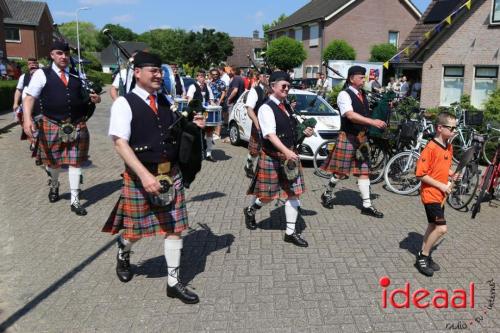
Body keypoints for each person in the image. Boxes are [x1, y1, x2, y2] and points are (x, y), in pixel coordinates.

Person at [102, 51, 206, 303]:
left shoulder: (163, 100)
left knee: (175, 229)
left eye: (161, 70)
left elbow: (174, 133)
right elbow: (120, 143)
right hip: (141, 177)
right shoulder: (124, 103)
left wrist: (193, 126)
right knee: (135, 230)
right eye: (154, 70)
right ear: (137, 73)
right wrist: (143, 175)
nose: (159, 74)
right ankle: (124, 249)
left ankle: (173, 283)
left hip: (171, 174)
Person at [23, 41, 101, 216]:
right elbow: (29, 98)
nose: (64, 57)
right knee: (53, 163)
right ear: (52, 55)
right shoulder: (42, 74)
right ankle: (55, 183)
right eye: (59, 53)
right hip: (51, 123)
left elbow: (85, 96)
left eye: (66, 53)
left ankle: (75, 200)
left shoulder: (76, 74)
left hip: (77, 123)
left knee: (75, 162)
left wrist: (94, 99)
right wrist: (27, 119)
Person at [243, 71, 314, 247]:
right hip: (273, 157)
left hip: (288, 157)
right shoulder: (266, 108)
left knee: (294, 194)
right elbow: (269, 135)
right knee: (267, 197)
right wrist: (286, 151)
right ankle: (251, 210)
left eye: (288, 86)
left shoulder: (286, 106)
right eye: (283, 85)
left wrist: (304, 132)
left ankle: (290, 232)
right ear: (273, 86)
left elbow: (292, 128)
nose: (286, 88)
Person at [320, 65, 386, 218]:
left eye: (364, 77)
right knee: (340, 172)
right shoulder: (344, 95)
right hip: (348, 137)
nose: (364, 80)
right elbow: (349, 115)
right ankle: (327, 193)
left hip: (361, 138)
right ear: (351, 79)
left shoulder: (362, 94)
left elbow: (363, 112)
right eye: (361, 77)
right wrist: (372, 122)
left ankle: (367, 205)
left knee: (364, 172)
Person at [414, 112, 458, 277]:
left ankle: (425, 252)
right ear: (440, 128)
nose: (454, 130)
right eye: (451, 127)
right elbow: (420, 174)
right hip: (431, 194)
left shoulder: (448, 145)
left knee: (432, 225)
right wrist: (441, 185)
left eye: (455, 127)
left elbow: (443, 167)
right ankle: (422, 256)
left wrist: (452, 174)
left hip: (441, 195)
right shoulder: (430, 148)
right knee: (441, 228)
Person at [243, 69, 269, 178]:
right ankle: (249, 165)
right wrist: (256, 123)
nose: (267, 78)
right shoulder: (255, 91)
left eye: (269, 76)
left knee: (268, 150)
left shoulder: (273, 91)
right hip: (258, 124)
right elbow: (249, 109)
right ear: (260, 77)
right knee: (254, 150)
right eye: (265, 76)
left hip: (270, 125)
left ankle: (264, 171)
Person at [187, 69, 216, 161]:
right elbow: (189, 100)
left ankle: (208, 153)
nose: (202, 78)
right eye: (200, 76)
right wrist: (194, 111)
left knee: (209, 132)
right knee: (196, 133)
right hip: (196, 113)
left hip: (206, 112)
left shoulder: (208, 87)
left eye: (204, 76)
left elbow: (211, 101)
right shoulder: (193, 86)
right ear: (197, 77)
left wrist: (216, 107)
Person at [12, 58, 41, 137]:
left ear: (38, 65)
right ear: (28, 66)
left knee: (42, 128)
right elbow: (18, 90)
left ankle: (38, 143)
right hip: (27, 107)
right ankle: (33, 142)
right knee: (29, 127)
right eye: (30, 63)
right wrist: (15, 103)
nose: (32, 65)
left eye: (34, 63)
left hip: (41, 107)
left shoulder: (43, 75)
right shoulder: (23, 77)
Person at [208, 68, 227, 139]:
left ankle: (218, 133)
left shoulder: (221, 82)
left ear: (218, 75)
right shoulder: (209, 83)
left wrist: (220, 101)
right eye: (213, 74)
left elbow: (224, 92)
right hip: (211, 102)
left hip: (218, 102)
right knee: (212, 117)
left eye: (216, 74)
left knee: (219, 117)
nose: (215, 76)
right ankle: (213, 132)